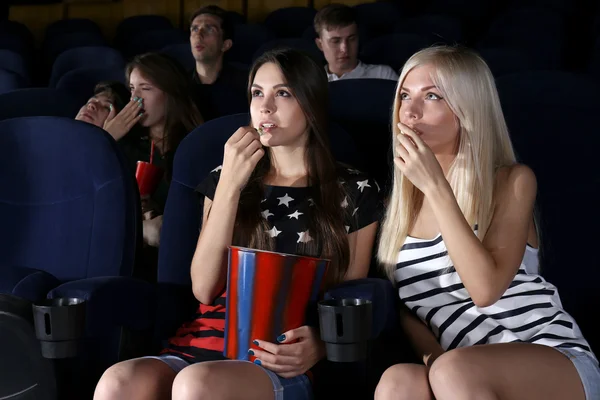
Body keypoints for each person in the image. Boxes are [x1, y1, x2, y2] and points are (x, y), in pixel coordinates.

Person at [93, 48, 381, 400]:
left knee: (196, 385)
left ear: (312, 102)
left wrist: (321, 343)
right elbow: (203, 287)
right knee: (118, 381)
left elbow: (350, 301)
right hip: (206, 337)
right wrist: (230, 183)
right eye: (257, 93)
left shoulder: (355, 189)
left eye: (284, 93)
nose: (265, 106)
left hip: (284, 350)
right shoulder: (223, 178)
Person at [374, 46, 599, 400]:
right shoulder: (397, 208)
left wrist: (436, 187)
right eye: (405, 95)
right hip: (462, 372)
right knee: (397, 381)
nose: (410, 112)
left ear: (467, 110)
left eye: (432, 96)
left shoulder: (511, 181)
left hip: (547, 355)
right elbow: (410, 310)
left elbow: (484, 290)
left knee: (453, 369)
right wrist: (434, 362)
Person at [122, 53, 203, 248]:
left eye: (146, 89)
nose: (135, 100)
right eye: (132, 89)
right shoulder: (126, 144)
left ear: (170, 93)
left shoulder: (195, 146)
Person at [314, 3, 398, 82]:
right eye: (336, 41)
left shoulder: (382, 75)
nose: (344, 48)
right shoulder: (311, 81)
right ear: (320, 44)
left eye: (351, 39)